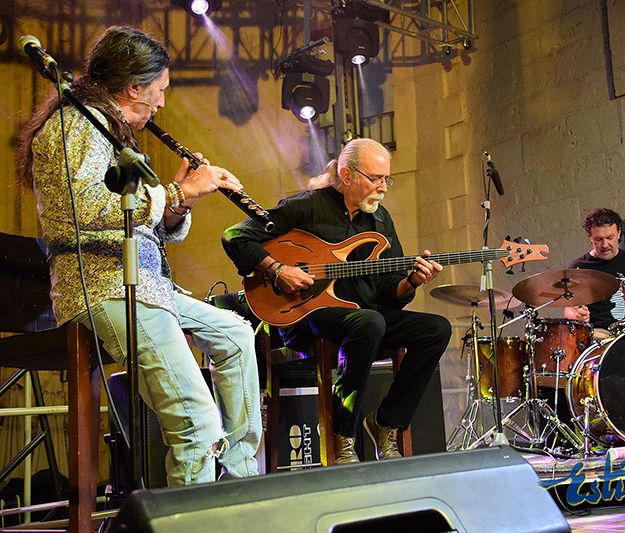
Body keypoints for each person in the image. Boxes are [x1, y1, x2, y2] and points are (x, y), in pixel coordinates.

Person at [16, 26, 262, 486]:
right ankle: (197, 509)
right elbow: (80, 209)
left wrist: (180, 201)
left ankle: (240, 479)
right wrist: (174, 191)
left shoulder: (104, 129)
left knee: (235, 334)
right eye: (160, 90)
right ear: (134, 86)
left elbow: (146, 225)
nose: (162, 103)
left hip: (146, 284)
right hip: (102, 284)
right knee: (196, 422)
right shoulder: (75, 122)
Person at [222, 138, 452, 464]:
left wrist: (411, 281)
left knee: (435, 328)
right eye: (376, 178)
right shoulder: (307, 206)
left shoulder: (381, 220)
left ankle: (386, 422)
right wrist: (276, 270)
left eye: (387, 179)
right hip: (305, 317)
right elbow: (236, 235)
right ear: (346, 175)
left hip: (364, 319)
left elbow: (389, 292)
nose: (383, 188)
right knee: (370, 322)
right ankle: (343, 433)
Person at [564, 208, 625, 332]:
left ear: (619, 233)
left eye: (610, 237)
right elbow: (569, 309)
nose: (605, 245)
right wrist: (576, 316)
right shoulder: (579, 267)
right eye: (598, 239)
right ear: (590, 238)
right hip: (600, 334)